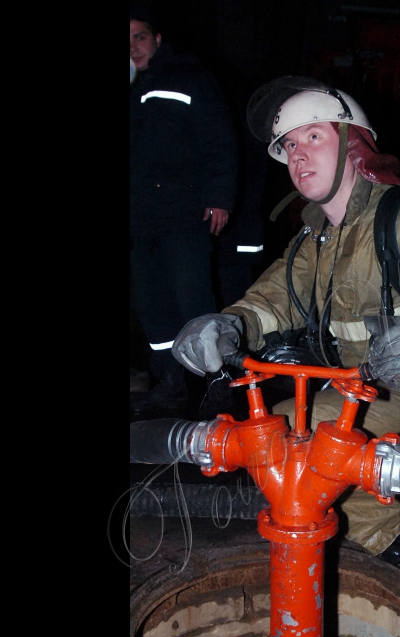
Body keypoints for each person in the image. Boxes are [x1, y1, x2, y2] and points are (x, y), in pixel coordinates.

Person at [171, 76, 400, 562]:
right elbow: (272, 302)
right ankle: (329, 551)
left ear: (353, 142)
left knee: (307, 455)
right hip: (358, 388)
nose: (297, 153)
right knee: (268, 439)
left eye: (313, 136)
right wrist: (228, 325)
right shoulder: (316, 238)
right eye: (289, 144)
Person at [130, 6, 239, 419]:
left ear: (157, 40)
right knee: (152, 305)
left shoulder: (188, 76)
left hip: (183, 214)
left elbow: (219, 139)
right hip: (142, 219)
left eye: (139, 36)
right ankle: (170, 384)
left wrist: (220, 196)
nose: (133, 47)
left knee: (192, 301)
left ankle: (218, 384)